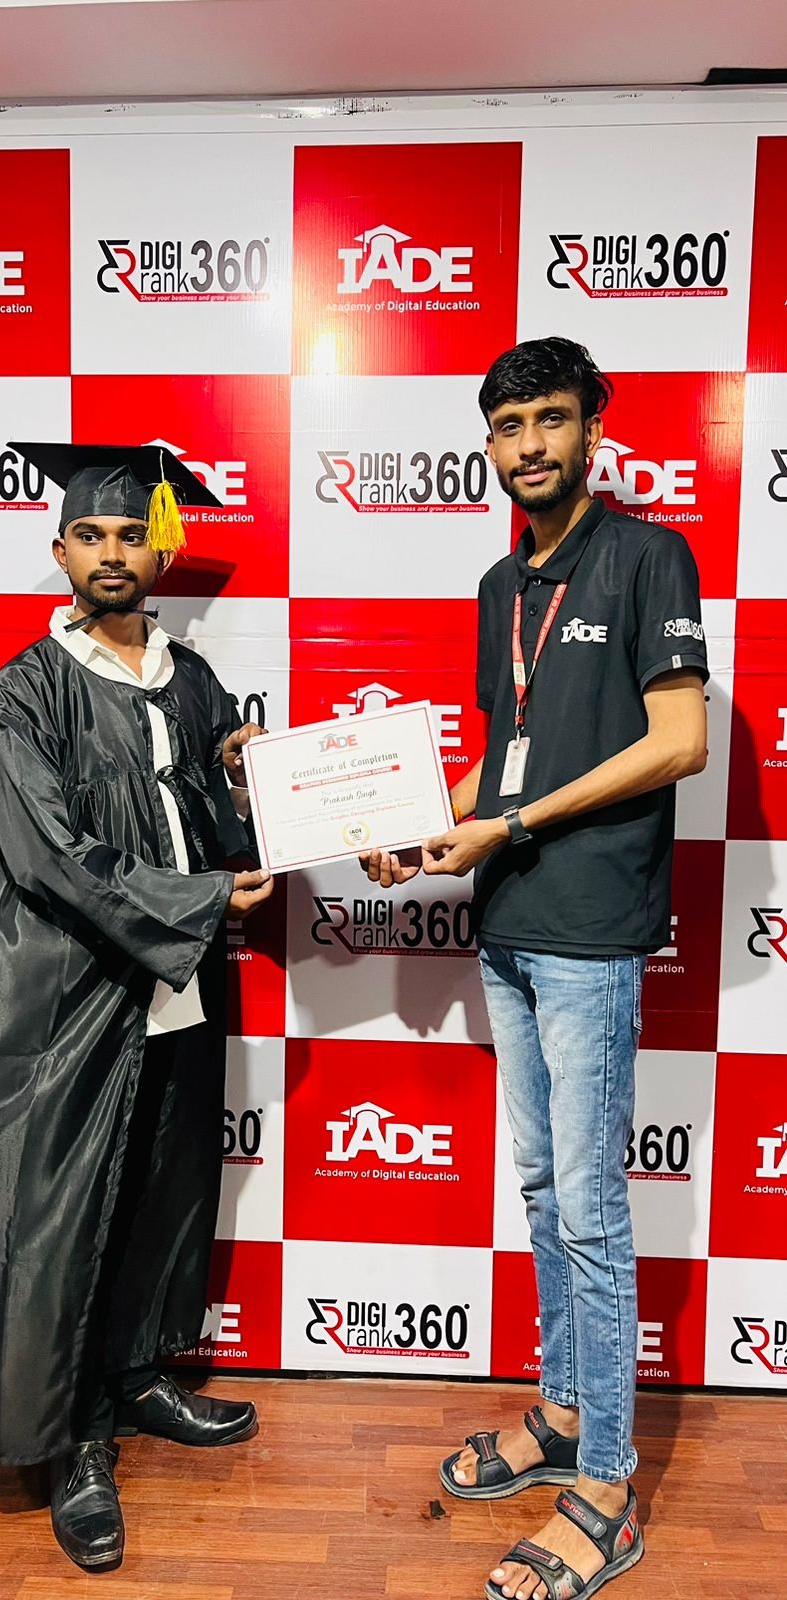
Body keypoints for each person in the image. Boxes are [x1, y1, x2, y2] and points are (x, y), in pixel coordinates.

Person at [363, 337, 708, 1600]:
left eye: (552, 421)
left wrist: (509, 825)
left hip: (590, 931)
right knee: (545, 1185)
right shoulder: (498, 583)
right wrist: (421, 824)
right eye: (509, 428)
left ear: (592, 431)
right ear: (491, 445)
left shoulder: (650, 555)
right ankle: (565, 1410)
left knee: (594, 1210)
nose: (530, 446)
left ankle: (605, 1490)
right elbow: (504, 750)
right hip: (506, 924)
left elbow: (680, 740)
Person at [0, 443, 274, 1573]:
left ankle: (133, 1378)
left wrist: (248, 778)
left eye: (131, 534)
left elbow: (214, 816)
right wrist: (201, 899)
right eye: (92, 536)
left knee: (158, 1190)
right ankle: (75, 1436)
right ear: (62, 550)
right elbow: (50, 855)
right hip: (69, 998)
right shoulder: (28, 688)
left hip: (172, 986)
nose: (113, 553)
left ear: (157, 549)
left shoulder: (192, 679)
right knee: (67, 1214)